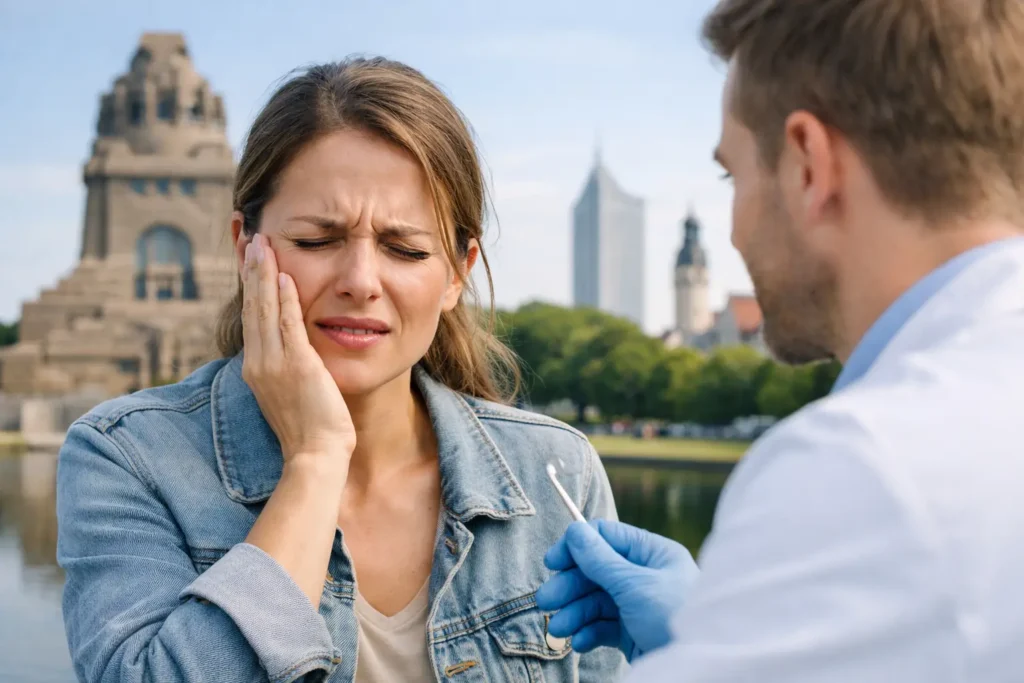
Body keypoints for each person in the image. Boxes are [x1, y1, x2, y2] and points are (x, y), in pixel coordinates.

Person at [55, 57, 627, 683]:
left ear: (457, 272)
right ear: (246, 245)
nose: (360, 283)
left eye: (404, 249)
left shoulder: (556, 473)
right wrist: (315, 462)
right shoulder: (127, 458)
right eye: (317, 241)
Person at [537, 0, 1024, 681]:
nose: (734, 229)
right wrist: (713, 626)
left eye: (732, 176)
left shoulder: (861, 469)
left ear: (807, 164)